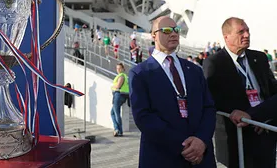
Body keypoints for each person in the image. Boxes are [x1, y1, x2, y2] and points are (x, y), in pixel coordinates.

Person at [129, 16, 216, 167]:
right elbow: (143, 117)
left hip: (201, 156)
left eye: (176, 30)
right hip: (163, 157)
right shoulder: (140, 73)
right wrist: (185, 146)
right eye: (167, 30)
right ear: (153, 35)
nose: (174, 34)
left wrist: (201, 140)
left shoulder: (194, 70)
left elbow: (208, 108)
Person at [203, 17, 277, 168]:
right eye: (241, 32)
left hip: (265, 132)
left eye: (248, 30)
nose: (247, 35)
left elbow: (272, 91)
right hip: (237, 137)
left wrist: (262, 116)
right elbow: (215, 99)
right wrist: (251, 117)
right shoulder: (214, 63)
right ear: (226, 37)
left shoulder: (259, 58)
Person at [110, 63, 129, 137]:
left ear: (123, 69)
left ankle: (119, 130)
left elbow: (118, 86)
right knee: (113, 113)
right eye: (117, 68)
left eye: (119, 68)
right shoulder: (124, 76)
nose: (118, 70)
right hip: (121, 95)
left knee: (116, 113)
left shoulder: (121, 76)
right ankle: (117, 129)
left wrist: (113, 86)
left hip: (119, 95)